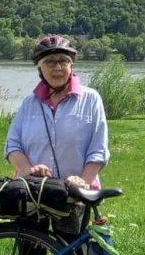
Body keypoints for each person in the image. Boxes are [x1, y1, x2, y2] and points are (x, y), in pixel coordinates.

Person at [6, 34, 108, 192]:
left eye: (63, 60)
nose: (58, 68)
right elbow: (12, 145)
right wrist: (29, 172)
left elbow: (98, 150)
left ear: (71, 65)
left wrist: (83, 180)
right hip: (33, 192)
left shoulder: (90, 99)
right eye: (50, 62)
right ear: (40, 69)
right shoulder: (29, 103)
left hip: (76, 194)